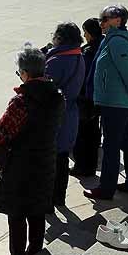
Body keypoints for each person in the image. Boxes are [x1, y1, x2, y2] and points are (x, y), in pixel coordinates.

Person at [0, 44, 64, 255]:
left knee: (17, 213)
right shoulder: (57, 97)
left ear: (25, 73)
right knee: (38, 211)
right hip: (46, 160)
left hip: (21, 164)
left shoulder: (22, 101)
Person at [84, 5, 128, 201]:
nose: (101, 23)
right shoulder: (112, 39)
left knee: (111, 146)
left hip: (117, 103)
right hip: (117, 101)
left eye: (105, 19)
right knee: (127, 142)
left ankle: (106, 188)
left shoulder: (118, 42)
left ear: (118, 20)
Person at [44, 23, 85, 206]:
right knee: (62, 160)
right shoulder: (78, 56)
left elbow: (44, 89)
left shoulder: (56, 60)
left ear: (60, 38)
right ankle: (59, 197)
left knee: (49, 160)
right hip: (70, 113)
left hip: (54, 116)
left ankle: (48, 200)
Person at [70, 17, 104, 178]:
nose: (84, 35)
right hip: (99, 96)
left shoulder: (88, 51)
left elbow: (82, 75)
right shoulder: (103, 44)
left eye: (85, 32)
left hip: (85, 97)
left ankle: (82, 166)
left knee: (83, 133)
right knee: (93, 132)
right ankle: (90, 164)